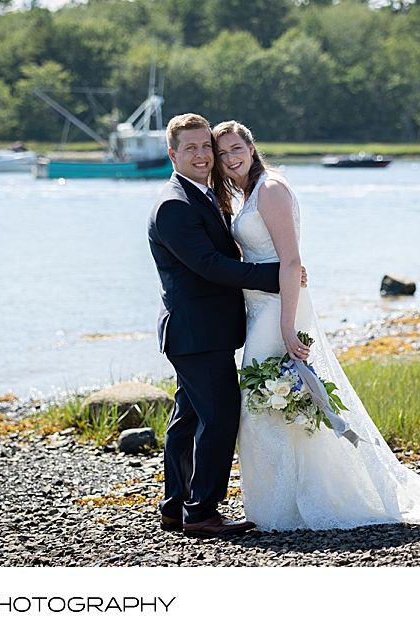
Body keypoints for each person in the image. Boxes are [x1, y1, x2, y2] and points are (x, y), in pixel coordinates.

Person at [211, 120, 420, 531]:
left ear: (252, 148)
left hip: (278, 309)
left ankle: (293, 505)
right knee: (281, 398)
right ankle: (288, 500)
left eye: (237, 148)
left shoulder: (269, 188)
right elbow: (262, 253)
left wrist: (288, 327)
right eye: (223, 153)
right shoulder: (250, 192)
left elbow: (291, 261)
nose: (231, 158)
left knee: (267, 398)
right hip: (262, 305)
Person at [146, 113, 309, 538]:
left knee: (188, 419)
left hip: (203, 332)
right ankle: (201, 512)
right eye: (192, 148)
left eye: (207, 147)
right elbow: (210, 267)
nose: (203, 156)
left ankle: (175, 506)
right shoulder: (174, 205)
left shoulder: (201, 194)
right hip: (196, 333)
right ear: (172, 154)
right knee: (219, 417)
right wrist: (275, 274)